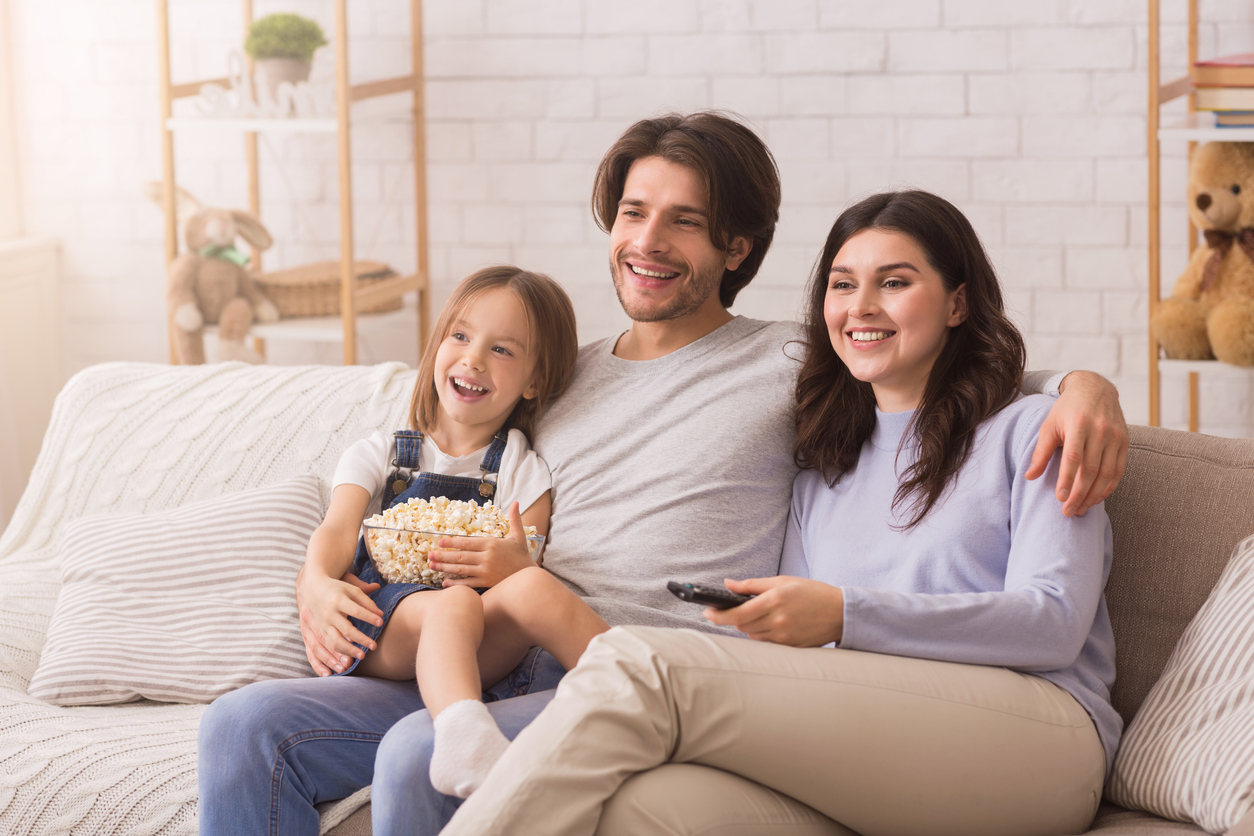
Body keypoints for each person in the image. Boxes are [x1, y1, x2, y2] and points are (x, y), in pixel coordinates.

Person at [198, 113, 1130, 836]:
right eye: (635, 213)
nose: (649, 241)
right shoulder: (558, 371)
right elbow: (438, 429)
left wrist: (1086, 388)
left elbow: (923, 371)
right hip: (495, 643)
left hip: (641, 660)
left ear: (737, 249)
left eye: (686, 222)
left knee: (414, 755)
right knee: (246, 727)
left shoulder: (791, 360)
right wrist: (316, 580)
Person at [439, 189, 1119, 836]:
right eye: (843, 284)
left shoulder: (1040, 431)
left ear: (957, 303)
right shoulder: (825, 466)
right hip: (879, 735)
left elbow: (1054, 624)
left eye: (895, 282)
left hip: (1040, 740)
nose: (862, 307)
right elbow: (799, 646)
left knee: (641, 664)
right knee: (641, 809)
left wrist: (845, 613)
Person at [298, 264, 609, 799]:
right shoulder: (384, 453)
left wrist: (514, 566)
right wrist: (319, 582)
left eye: (502, 350)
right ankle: (463, 735)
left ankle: (643, 688)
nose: (473, 358)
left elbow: (527, 558)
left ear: (534, 381)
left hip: (481, 640)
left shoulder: (521, 467)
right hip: (383, 623)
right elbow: (336, 528)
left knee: (533, 590)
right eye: (461, 336)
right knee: (454, 605)